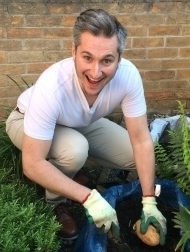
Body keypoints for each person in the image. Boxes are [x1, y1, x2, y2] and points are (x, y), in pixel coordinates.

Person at [6, 8, 167, 245]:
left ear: (119, 58)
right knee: (75, 150)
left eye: (107, 60)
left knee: (135, 155)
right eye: (87, 57)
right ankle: (57, 202)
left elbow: (141, 140)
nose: (95, 72)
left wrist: (149, 200)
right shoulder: (52, 86)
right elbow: (32, 163)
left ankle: (64, 170)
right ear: (74, 51)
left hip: (79, 124)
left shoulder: (129, 76)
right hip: (24, 122)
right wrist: (89, 198)